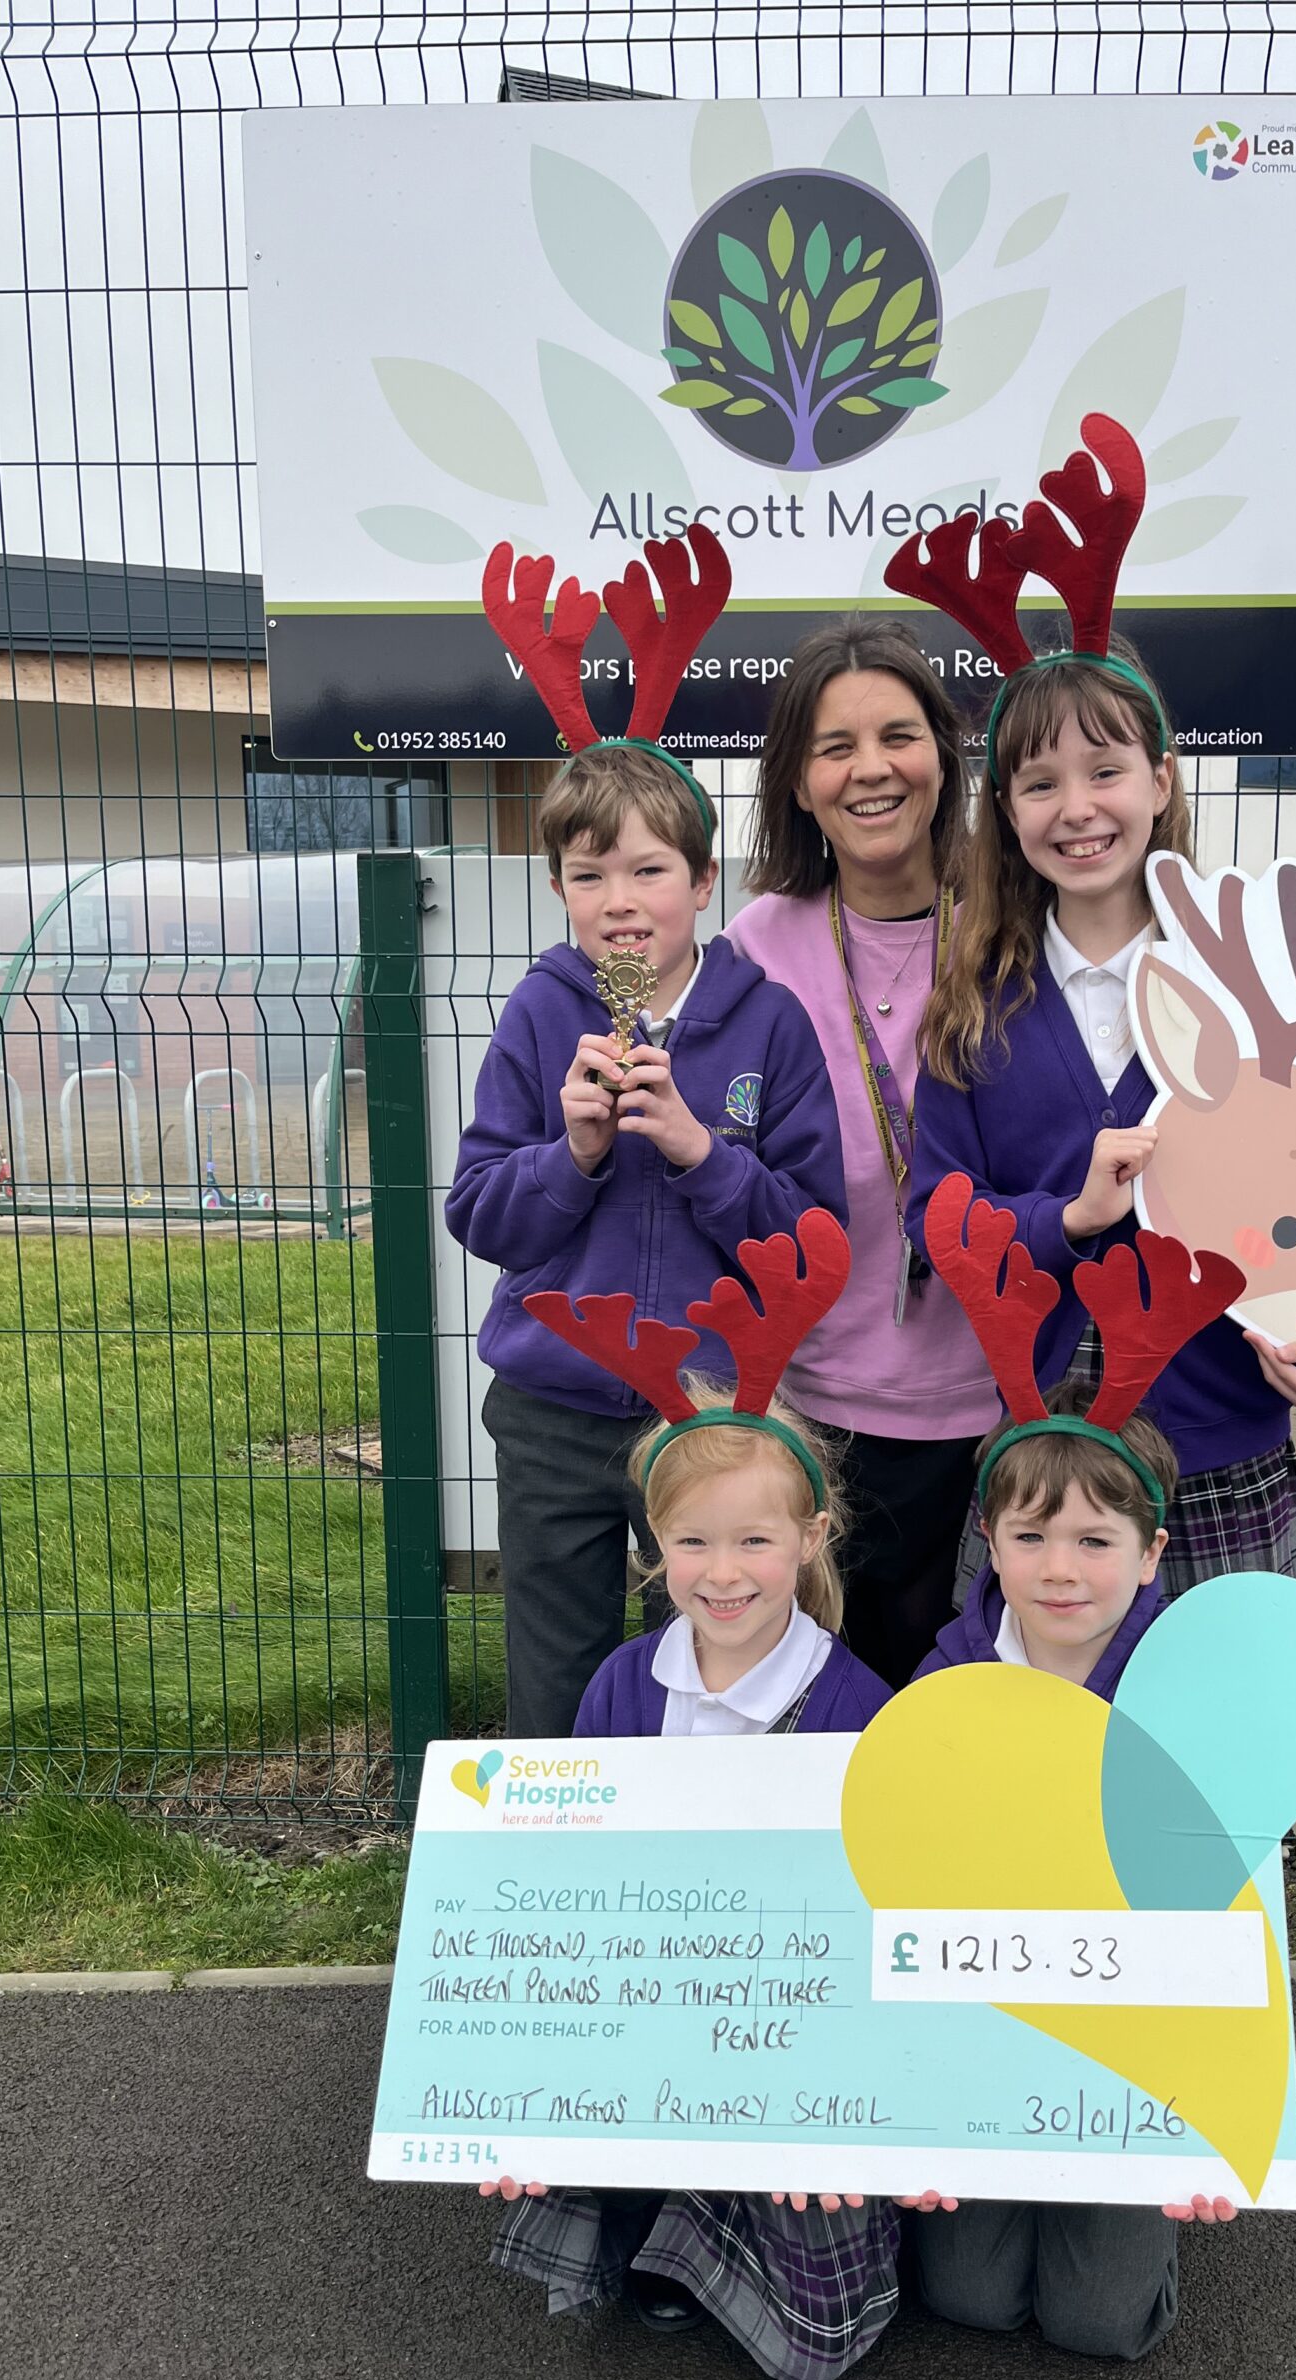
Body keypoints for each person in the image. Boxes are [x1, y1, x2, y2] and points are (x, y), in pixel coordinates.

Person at [897, 421, 1296, 1595]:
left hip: (1221, 1449)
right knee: (1038, 1753)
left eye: (1105, 770)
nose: (1075, 807)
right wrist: (1065, 1219)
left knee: (1216, 1763)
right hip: (1044, 1464)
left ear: (1163, 779)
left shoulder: (1258, 984)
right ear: (1006, 809)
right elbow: (939, 1218)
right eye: (1037, 782)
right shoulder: (973, 1011)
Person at [479, 1224, 907, 2380]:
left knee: (814, 2350)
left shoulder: (857, 1706)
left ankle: (719, 2228)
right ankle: (654, 2220)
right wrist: (507, 2084)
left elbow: (872, 1919)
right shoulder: (624, 1682)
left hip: (795, 2028)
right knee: (588, 2099)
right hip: (655, 2004)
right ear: (654, 1544)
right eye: (692, 1541)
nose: (725, 1572)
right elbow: (569, 1896)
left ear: (810, 1538)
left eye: (756, 1540)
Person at [447, 530, 846, 1737]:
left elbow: (812, 1233)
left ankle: (725, 1858)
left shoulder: (765, 1023)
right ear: (560, 889)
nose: (620, 902)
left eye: (648, 870)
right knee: (561, 1672)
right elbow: (477, 1211)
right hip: (559, 1404)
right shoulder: (540, 1010)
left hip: (712, 1404)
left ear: (703, 882)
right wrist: (566, 1153)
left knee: (729, 1652)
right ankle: (568, 1885)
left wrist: (695, 1150)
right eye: (587, 875)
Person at [899, 1177, 1244, 2357]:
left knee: (1100, 2321)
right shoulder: (939, 1691)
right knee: (968, 2296)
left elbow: (1225, 1922)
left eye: (1095, 1539)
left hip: (1126, 2045)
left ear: (1151, 1556)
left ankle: (1136, 2212)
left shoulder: (1186, 1704)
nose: (1060, 1567)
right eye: (1031, 1533)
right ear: (987, 1540)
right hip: (989, 2029)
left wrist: (1214, 2125)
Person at [726, 621, 997, 1687]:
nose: (871, 768)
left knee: (959, 1695)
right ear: (797, 780)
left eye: (899, 735)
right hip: (815, 1393)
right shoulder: (759, 942)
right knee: (822, 1692)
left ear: (945, 753)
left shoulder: (1011, 924)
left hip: (992, 1392)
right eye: (836, 747)